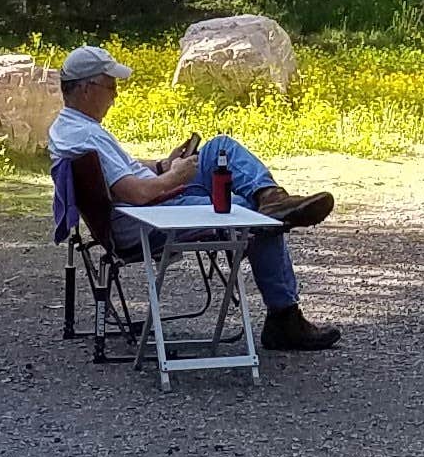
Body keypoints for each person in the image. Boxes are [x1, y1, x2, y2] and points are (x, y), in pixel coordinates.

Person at [49, 44, 344, 351]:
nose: (115, 95)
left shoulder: (72, 128)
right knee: (256, 216)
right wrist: (174, 176)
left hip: (153, 205)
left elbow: (121, 171)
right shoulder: (84, 136)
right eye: (110, 86)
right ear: (85, 89)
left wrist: (164, 165)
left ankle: (272, 197)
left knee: (220, 148)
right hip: (151, 216)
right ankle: (284, 317)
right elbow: (136, 193)